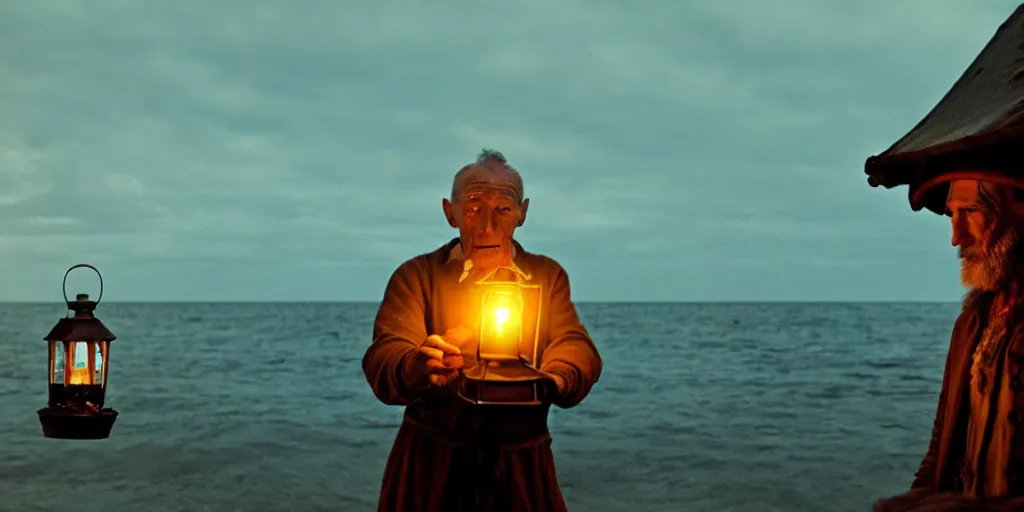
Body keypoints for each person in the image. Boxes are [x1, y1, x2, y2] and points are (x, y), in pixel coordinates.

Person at [362, 149, 603, 512]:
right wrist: (419, 364)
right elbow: (387, 352)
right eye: (474, 208)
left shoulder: (546, 276)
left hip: (521, 467)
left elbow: (574, 343)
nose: (488, 225)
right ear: (450, 212)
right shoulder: (416, 277)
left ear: (522, 212)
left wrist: (554, 379)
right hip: (430, 468)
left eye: (503, 209)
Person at [875, 177, 1024, 511]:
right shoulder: (970, 326)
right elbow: (943, 440)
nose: (956, 237)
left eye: (971, 212)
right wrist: (918, 497)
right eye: (952, 214)